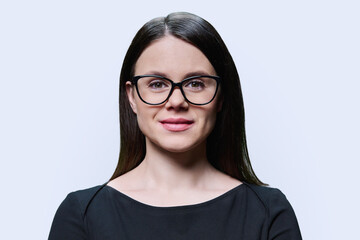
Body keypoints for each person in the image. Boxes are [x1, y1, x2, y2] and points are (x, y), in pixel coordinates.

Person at [49, 12, 302, 240]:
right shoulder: (81, 215)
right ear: (132, 97)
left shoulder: (268, 213)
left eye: (196, 83)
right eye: (157, 84)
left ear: (221, 97)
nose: (177, 101)